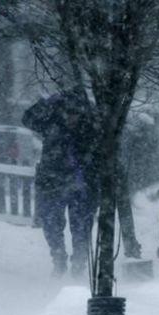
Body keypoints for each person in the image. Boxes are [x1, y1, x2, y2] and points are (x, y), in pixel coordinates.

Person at [23, 88, 101, 278]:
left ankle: (78, 264)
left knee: (81, 227)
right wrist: (47, 102)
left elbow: (101, 142)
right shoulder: (51, 123)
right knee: (51, 224)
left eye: (75, 113)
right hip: (52, 182)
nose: (71, 117)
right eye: (67, 112)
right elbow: (27, 118)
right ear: (60, 111)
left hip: (81, 184)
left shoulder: (89, 127)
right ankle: (59, 259)